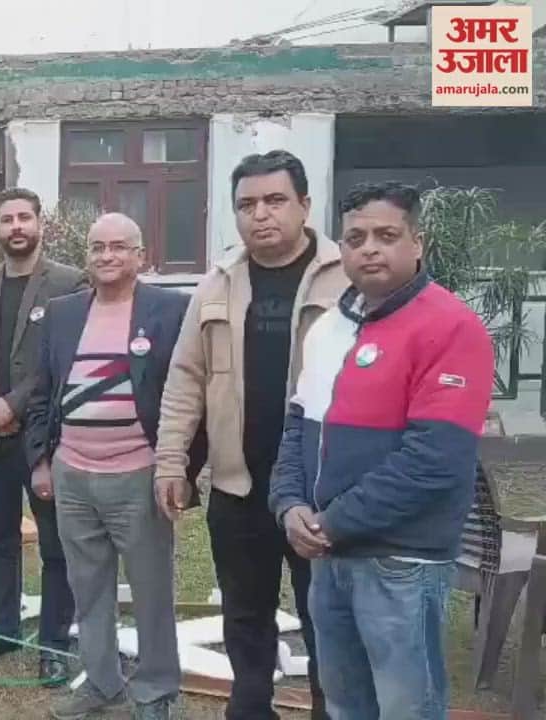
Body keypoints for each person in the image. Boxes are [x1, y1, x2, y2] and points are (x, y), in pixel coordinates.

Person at [269, 182, 494, 720]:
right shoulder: (328, 328)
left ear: (417, 244)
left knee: (405, 708)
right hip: (330, 557)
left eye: (386, 235)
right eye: (355, 238)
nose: (369, 248)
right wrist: (289, 505)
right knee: (346, 704)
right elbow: (298, 426)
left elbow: (435, 460)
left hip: (401, 561)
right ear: (340, 250)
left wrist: (332, 522)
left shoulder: (451, 327)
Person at [154, 150, 346, 720]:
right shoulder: (218, 282)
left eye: (275, 200)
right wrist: (171, 463)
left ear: (305, 205)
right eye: (246, 204)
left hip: (322, 491)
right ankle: (250, 707)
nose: (260, 214)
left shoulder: (347, 275)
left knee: (325, 618)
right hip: (238, 486)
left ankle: (329, 708)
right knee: (245, 616)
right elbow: (185, 377)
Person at [25, 214, 207, 720]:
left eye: (119, 247)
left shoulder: (171, 311)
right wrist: (42, 461)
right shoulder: (61, 314)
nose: (106, 256)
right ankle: (102, 684)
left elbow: (192, 395)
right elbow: (42, 394)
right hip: (73, 474)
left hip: (140, 475)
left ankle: (154, 692)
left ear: (140, 256)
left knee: (151, 592)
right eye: (97, 247)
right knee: (88, 588)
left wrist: (182, 470)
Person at [0, 187, 87, 685]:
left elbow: (63, 362)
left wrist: (13, 403)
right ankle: (3, 629)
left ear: (39, 223)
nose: (16, 227)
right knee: (0, 539)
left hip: (45, 439)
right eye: (7, 219)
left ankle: (54, 641)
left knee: (55, 544)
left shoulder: (70, 283)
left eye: (24, 217)